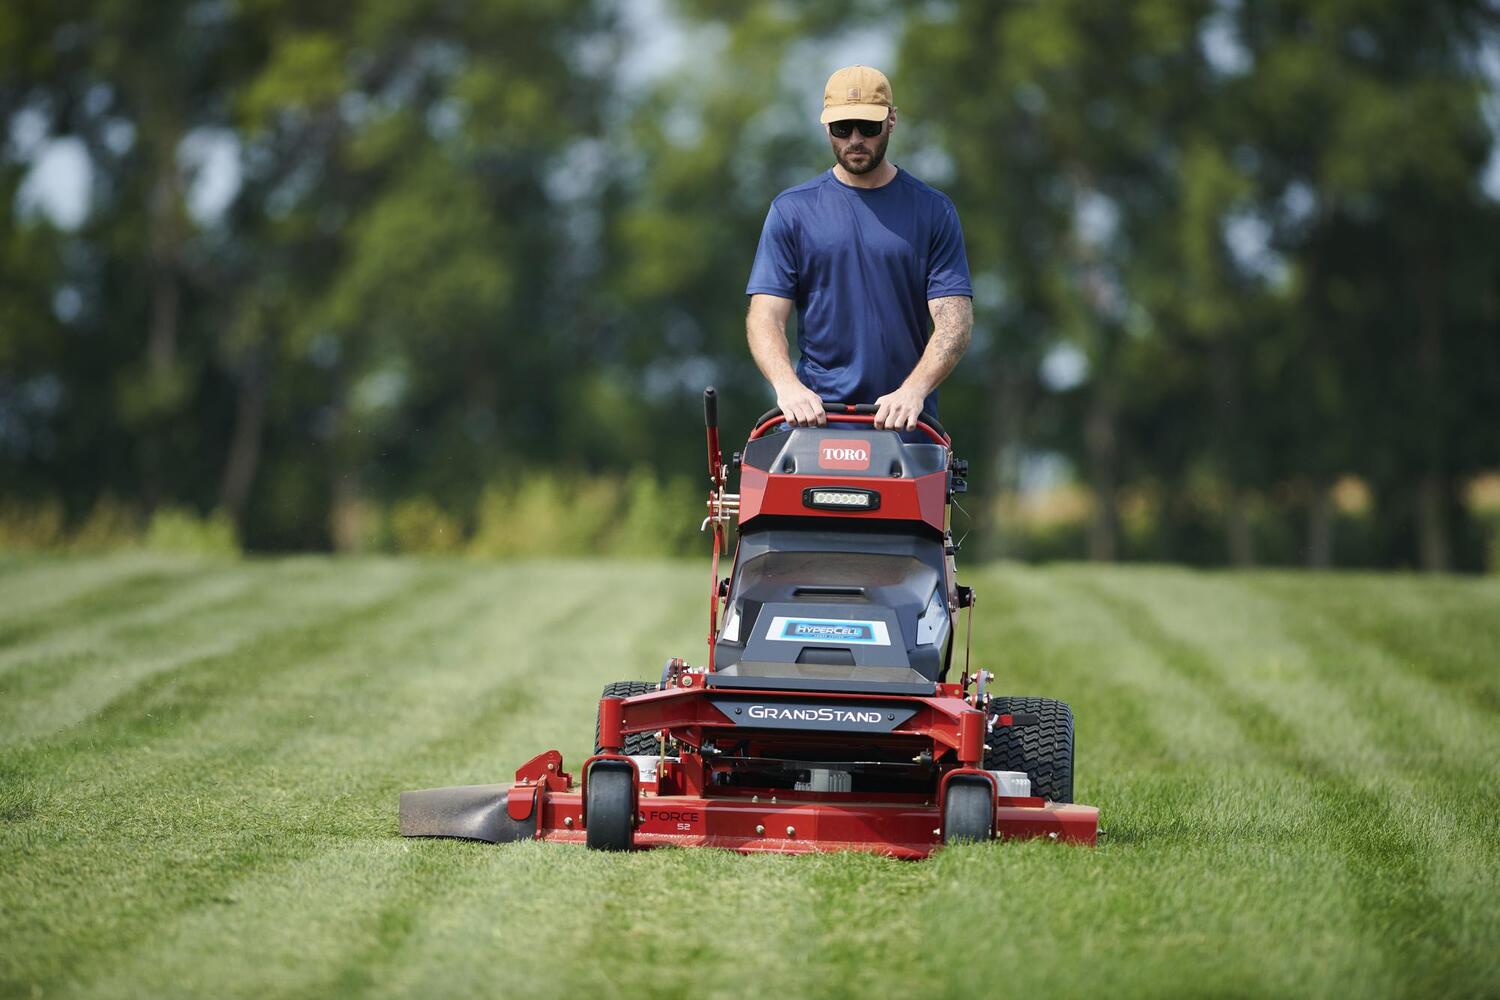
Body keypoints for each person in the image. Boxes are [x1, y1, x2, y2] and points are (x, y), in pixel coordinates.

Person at [745, 65, 974, 432]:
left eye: (868, 127)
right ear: (826, 127)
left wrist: (912, 392)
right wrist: (787, 387)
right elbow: (765, 316)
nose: (855, 139)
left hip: (907, 428)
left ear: (892, 121)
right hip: (816, 424)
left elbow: (954, 323)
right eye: (842, 128)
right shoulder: (792, 211)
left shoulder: (933, 211)